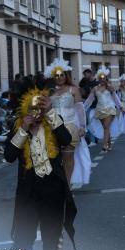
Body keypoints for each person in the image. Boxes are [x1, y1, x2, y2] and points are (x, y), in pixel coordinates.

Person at [4, 85, 77, 250]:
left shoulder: (52, 123)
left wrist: (51, 113)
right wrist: (23, 129)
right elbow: (9, 155)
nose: (35, 112)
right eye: (31, 109)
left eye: (39, 107)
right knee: (22, 246)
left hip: (52, 193)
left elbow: (65, 139)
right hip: (28, 195)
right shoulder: (19, 128)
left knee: (52, 245)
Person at [45, 59, 91, 188]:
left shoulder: (73, 89)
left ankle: (67, 187)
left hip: (70, 127)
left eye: (62, 75)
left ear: (66, 75)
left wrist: (82, 127)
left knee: (68, 158)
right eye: (56, 75)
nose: (59, 78)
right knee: (53, 159)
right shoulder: (50, 91)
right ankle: (58, 183)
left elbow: (80, 109)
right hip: (53, 128)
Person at [86, 66, 123, 152]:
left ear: (106, 78)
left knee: (106, 127)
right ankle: (109, 144)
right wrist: (82, 108)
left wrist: (120, 106)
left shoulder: (110, 87)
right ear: (98, 78)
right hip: (100, 110)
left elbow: (115, 97)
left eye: (103, 78)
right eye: (100, 78)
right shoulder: (95, 89)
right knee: (105, 128)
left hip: (110, 109)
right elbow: (89, 100)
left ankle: (104, 145)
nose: (102, 80)